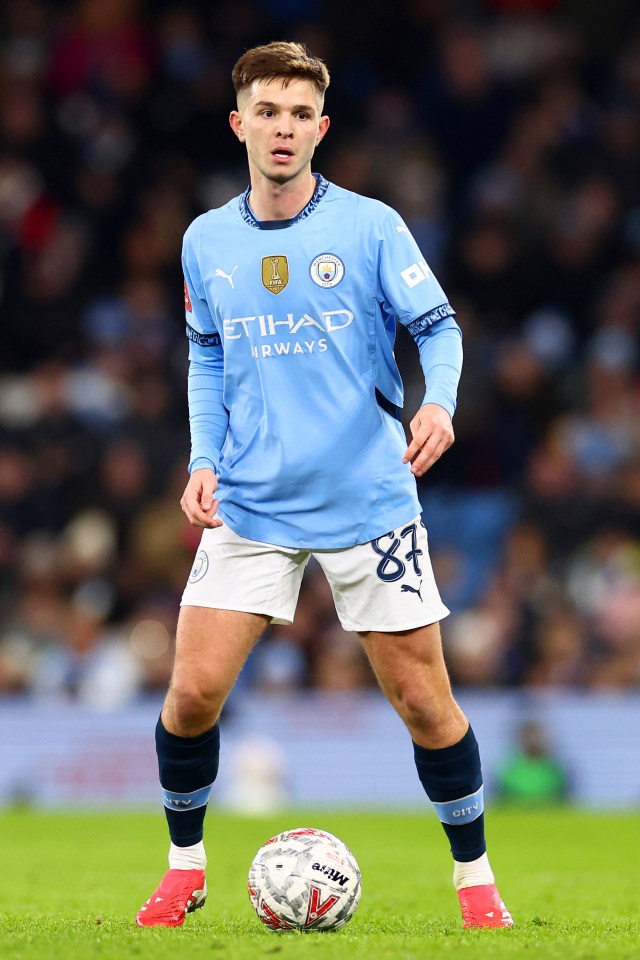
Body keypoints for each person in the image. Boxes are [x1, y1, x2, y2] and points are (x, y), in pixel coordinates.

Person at [136, 41, 513, 931]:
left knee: (425, 701)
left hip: (366, 498)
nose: (284, 127)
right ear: (239, 124)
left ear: (321, 129)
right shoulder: (206, 241)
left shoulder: (371, 226)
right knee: (190, 695)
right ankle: (183, 867)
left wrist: (442, 403)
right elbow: (206, 358)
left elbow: (439, 328)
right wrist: (202, 458)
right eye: (268, 110)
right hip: (254, 501)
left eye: (301, 114)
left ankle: (476, 880)